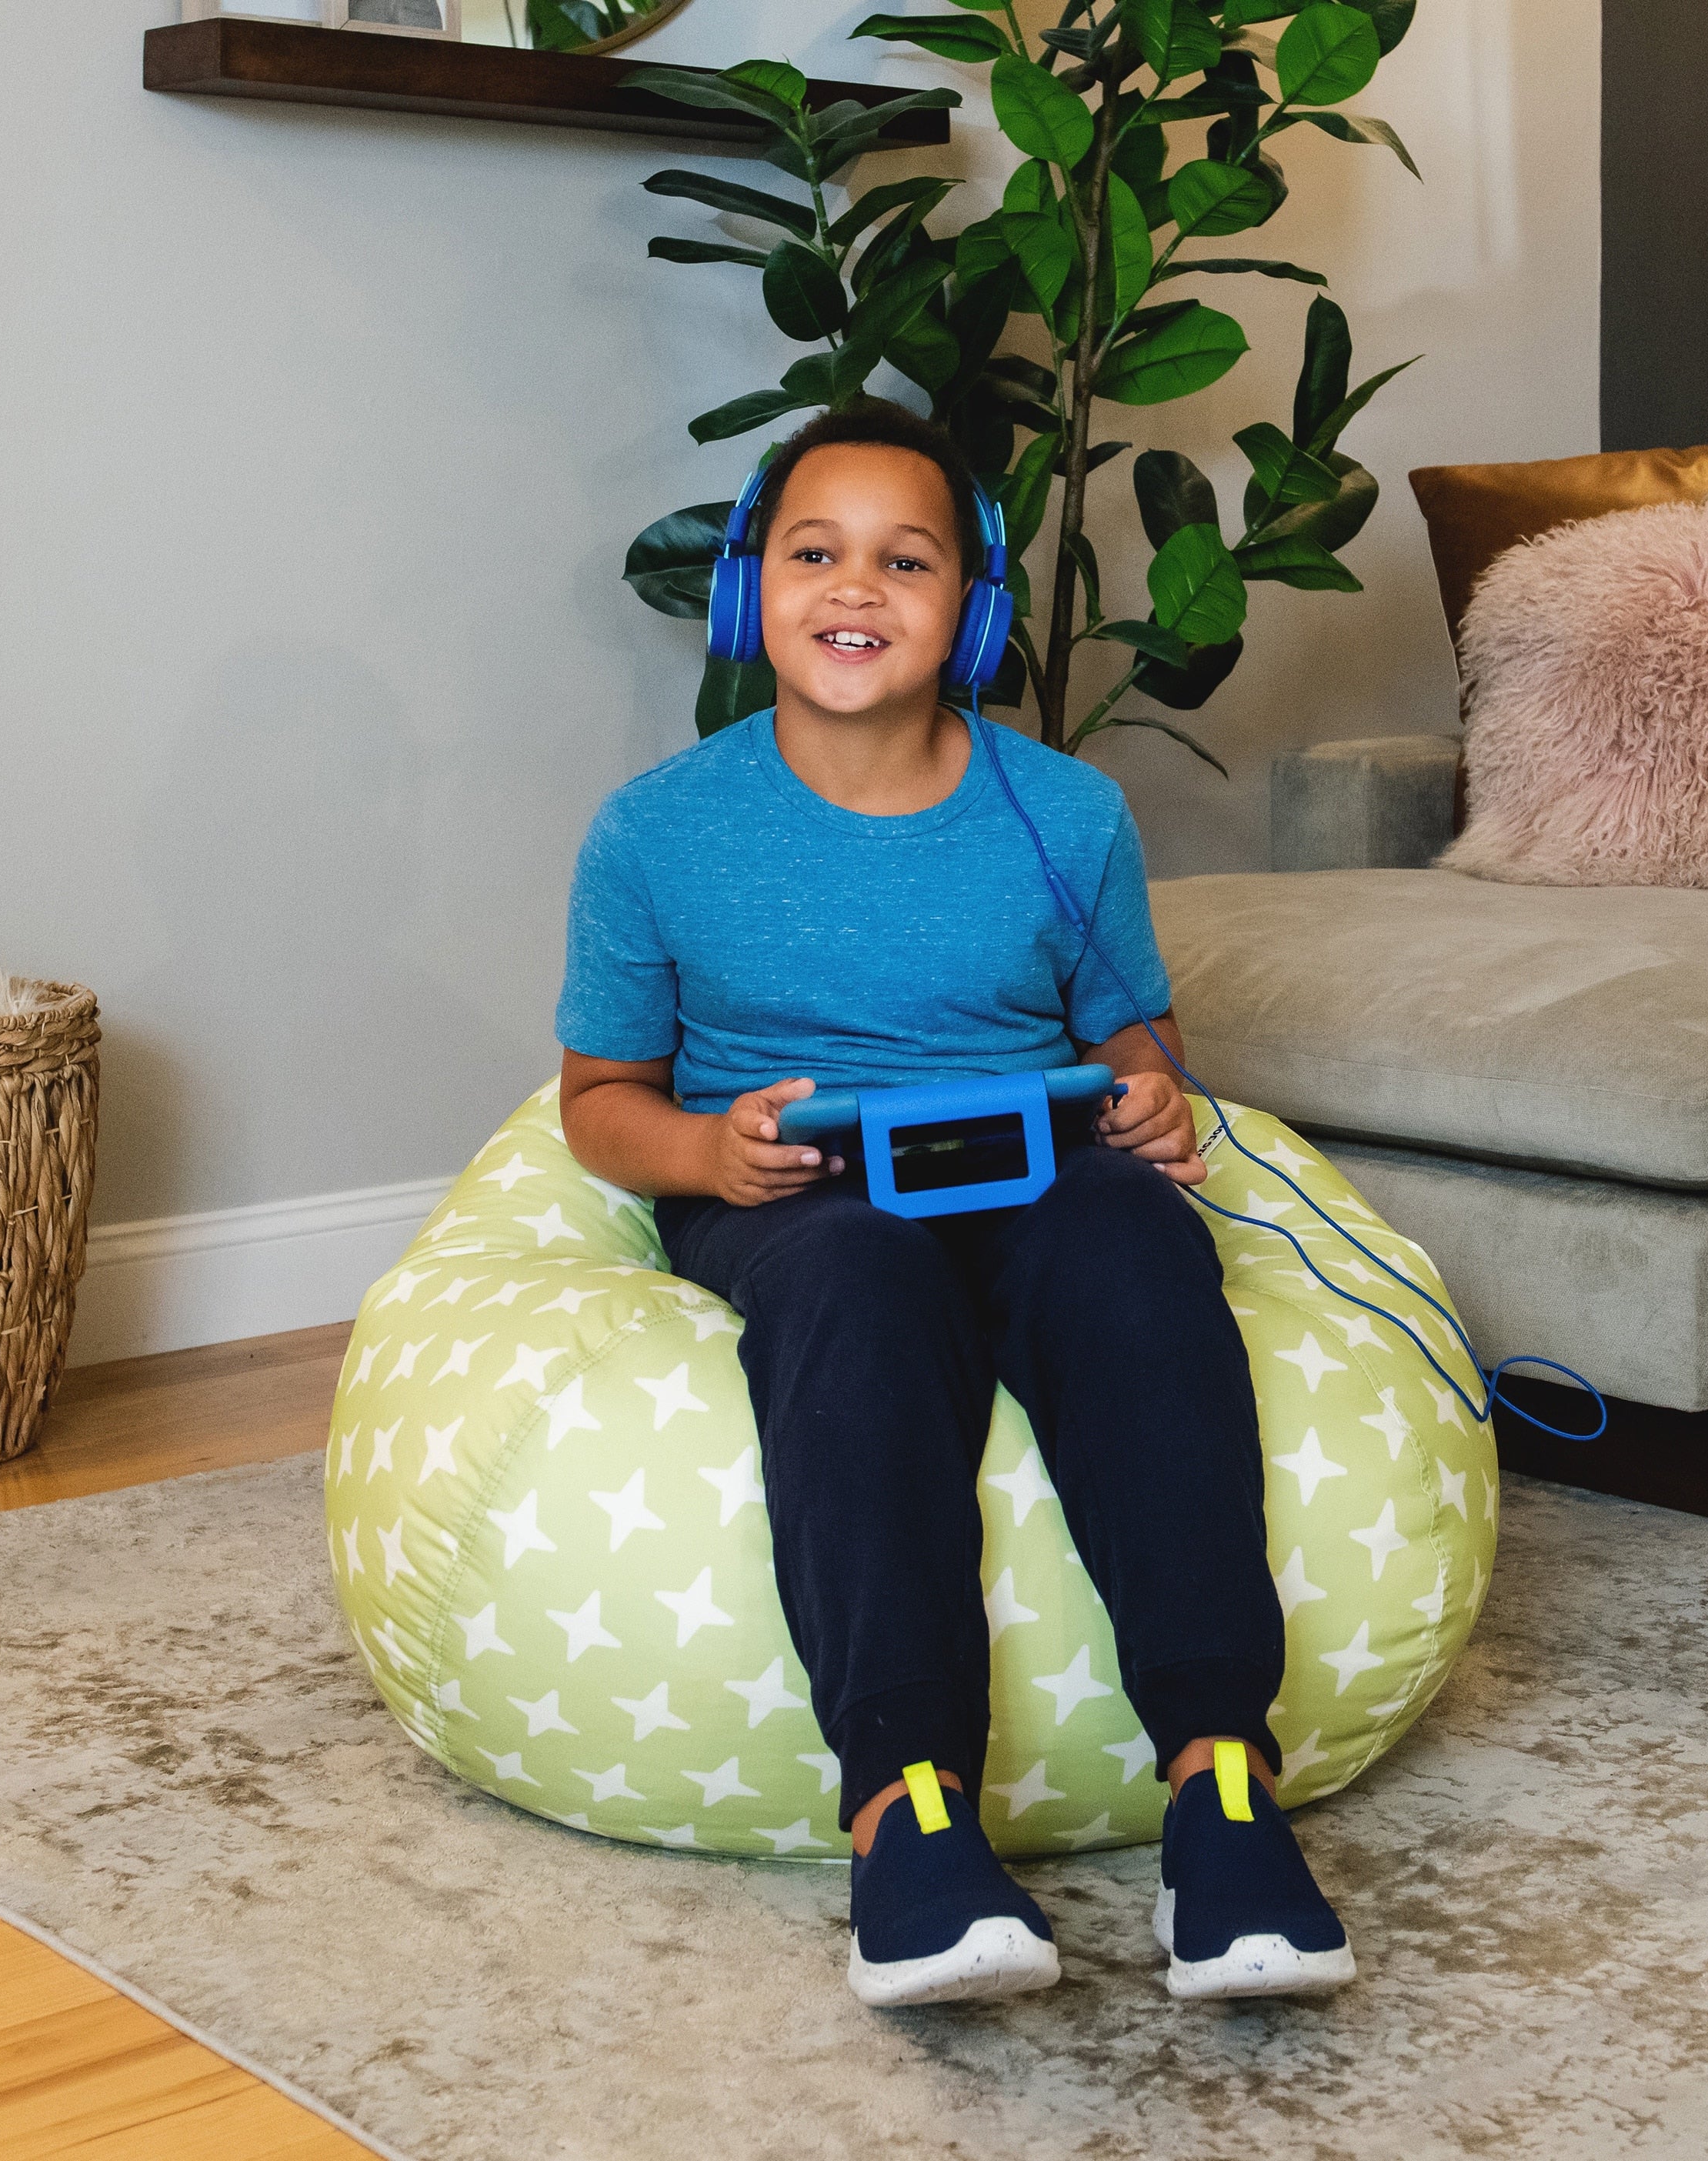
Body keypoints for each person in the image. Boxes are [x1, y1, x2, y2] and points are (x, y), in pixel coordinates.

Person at [555, 400, 1353, 2007]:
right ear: (748, 590)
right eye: (814, 553)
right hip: (792, 1189)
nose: (856, 587)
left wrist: (1146, 1095)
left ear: (974, 611)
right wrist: (710, 1157)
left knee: (1136, 1246)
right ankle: (907, 1816)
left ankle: (1221, 1789)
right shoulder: (654, 830)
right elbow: (600, 1099)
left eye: (905, 560)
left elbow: (1133, 1037)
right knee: (860, 1284)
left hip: (1026, 1159)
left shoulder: (1065, 812)